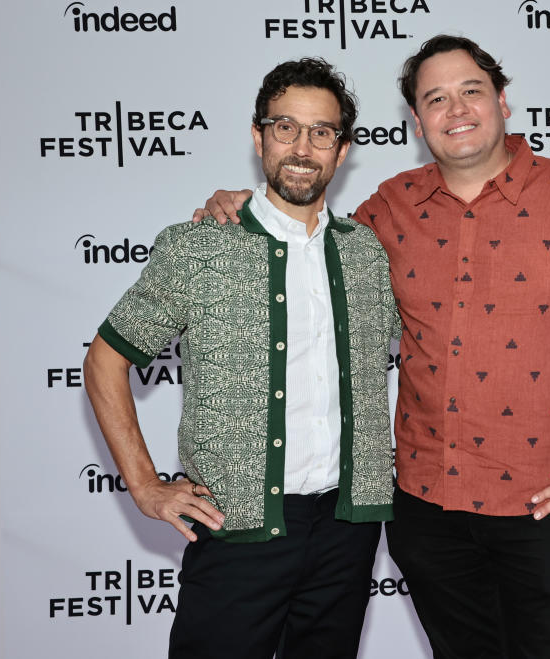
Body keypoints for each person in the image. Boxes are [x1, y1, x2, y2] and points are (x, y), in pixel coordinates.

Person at [197, 36, 550, 659]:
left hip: (542, 512)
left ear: (503, 103)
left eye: (471, 91)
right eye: (436, 98)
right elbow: (307, 233)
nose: (455, 109)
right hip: (424, 514)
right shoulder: (391, 208)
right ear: (416, 120)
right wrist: (242, 206)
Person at [83, 58, 399, 659]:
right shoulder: (197, 246)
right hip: (235, 532)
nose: (302, 147)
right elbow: (105, 360)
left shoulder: (368, 254)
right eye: (285, 128)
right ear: (258, 137)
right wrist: (147, 487)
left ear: (343, 148)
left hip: (347, 531)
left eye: (322, 132)